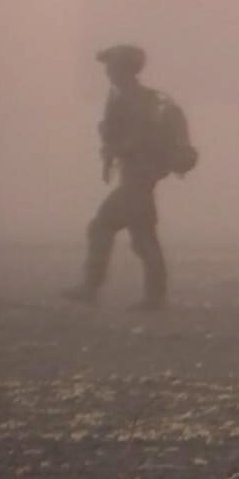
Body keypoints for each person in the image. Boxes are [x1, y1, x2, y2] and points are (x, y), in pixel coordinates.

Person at [63, 45, 194, 310]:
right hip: (135, 177)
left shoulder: (138, 102)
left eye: (112, 67)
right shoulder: (123, 98)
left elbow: (141, 140)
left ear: (124, 70)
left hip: (139, 177)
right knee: (142, 236)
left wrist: (119, 148)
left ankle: (95, 288)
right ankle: (152, 296)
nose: (107, 73)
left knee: (105, 227)